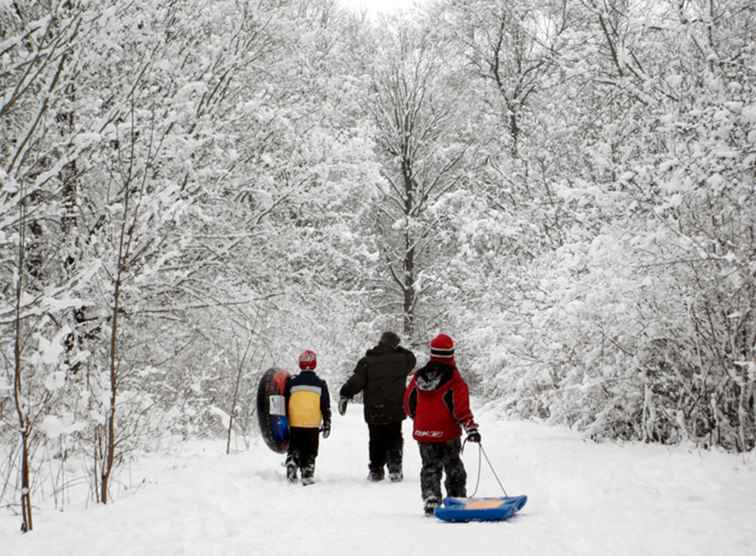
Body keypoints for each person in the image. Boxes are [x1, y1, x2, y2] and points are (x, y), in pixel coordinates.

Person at [403, 333, 481, 515]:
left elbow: (407, 402)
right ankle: (456, 498)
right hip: (447, 432)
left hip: (423, 432)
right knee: (453, 464)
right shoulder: (454, 379)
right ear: (451, 353)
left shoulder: (418, 377)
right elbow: (461, 408)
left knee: (429, 465)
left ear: (432, 353)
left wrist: (418, 418)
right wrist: (470, 427)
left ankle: (431, 497)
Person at [339, 331, 416, 482]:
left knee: (376, 439)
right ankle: (395, 468)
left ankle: (376, 470)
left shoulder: (367, 361)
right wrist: (399, 349)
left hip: (374, 408)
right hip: (394, 408)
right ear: (395, 344)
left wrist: (345, 394)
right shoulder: (401, 360)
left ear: (381, 342)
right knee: (394, 437)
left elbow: (356, 381)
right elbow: (412, 358)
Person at [285, 350, 331, 486]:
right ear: (314, 364)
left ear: (300, 364)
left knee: (294, 445)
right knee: (310, 450)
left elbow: (285, 401)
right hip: (312, 424)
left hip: (294, 422)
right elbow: (325, 406)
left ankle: (293, 460)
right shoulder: (321, 383)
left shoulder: (292, 382)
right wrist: (327, 423)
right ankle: (307, 471)